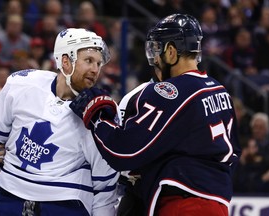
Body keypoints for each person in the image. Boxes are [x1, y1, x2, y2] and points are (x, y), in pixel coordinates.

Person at [70, 14, 241, 216]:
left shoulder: (171, 91)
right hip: (217, 203)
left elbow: (124, 152)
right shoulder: (219, 90)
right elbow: (234, 153)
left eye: (157, 50)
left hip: (184, 205)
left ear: (170, 51)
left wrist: (97, 114)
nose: (155, 60)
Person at [0, 28, 119, 216]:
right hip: (9, 201)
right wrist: (4, 182)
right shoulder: (22, 84)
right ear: (66, 61)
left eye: (98, 63)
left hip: (65, 206)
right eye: (88, 61)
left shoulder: (100, 112)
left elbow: (105, 184)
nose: (95, 70)